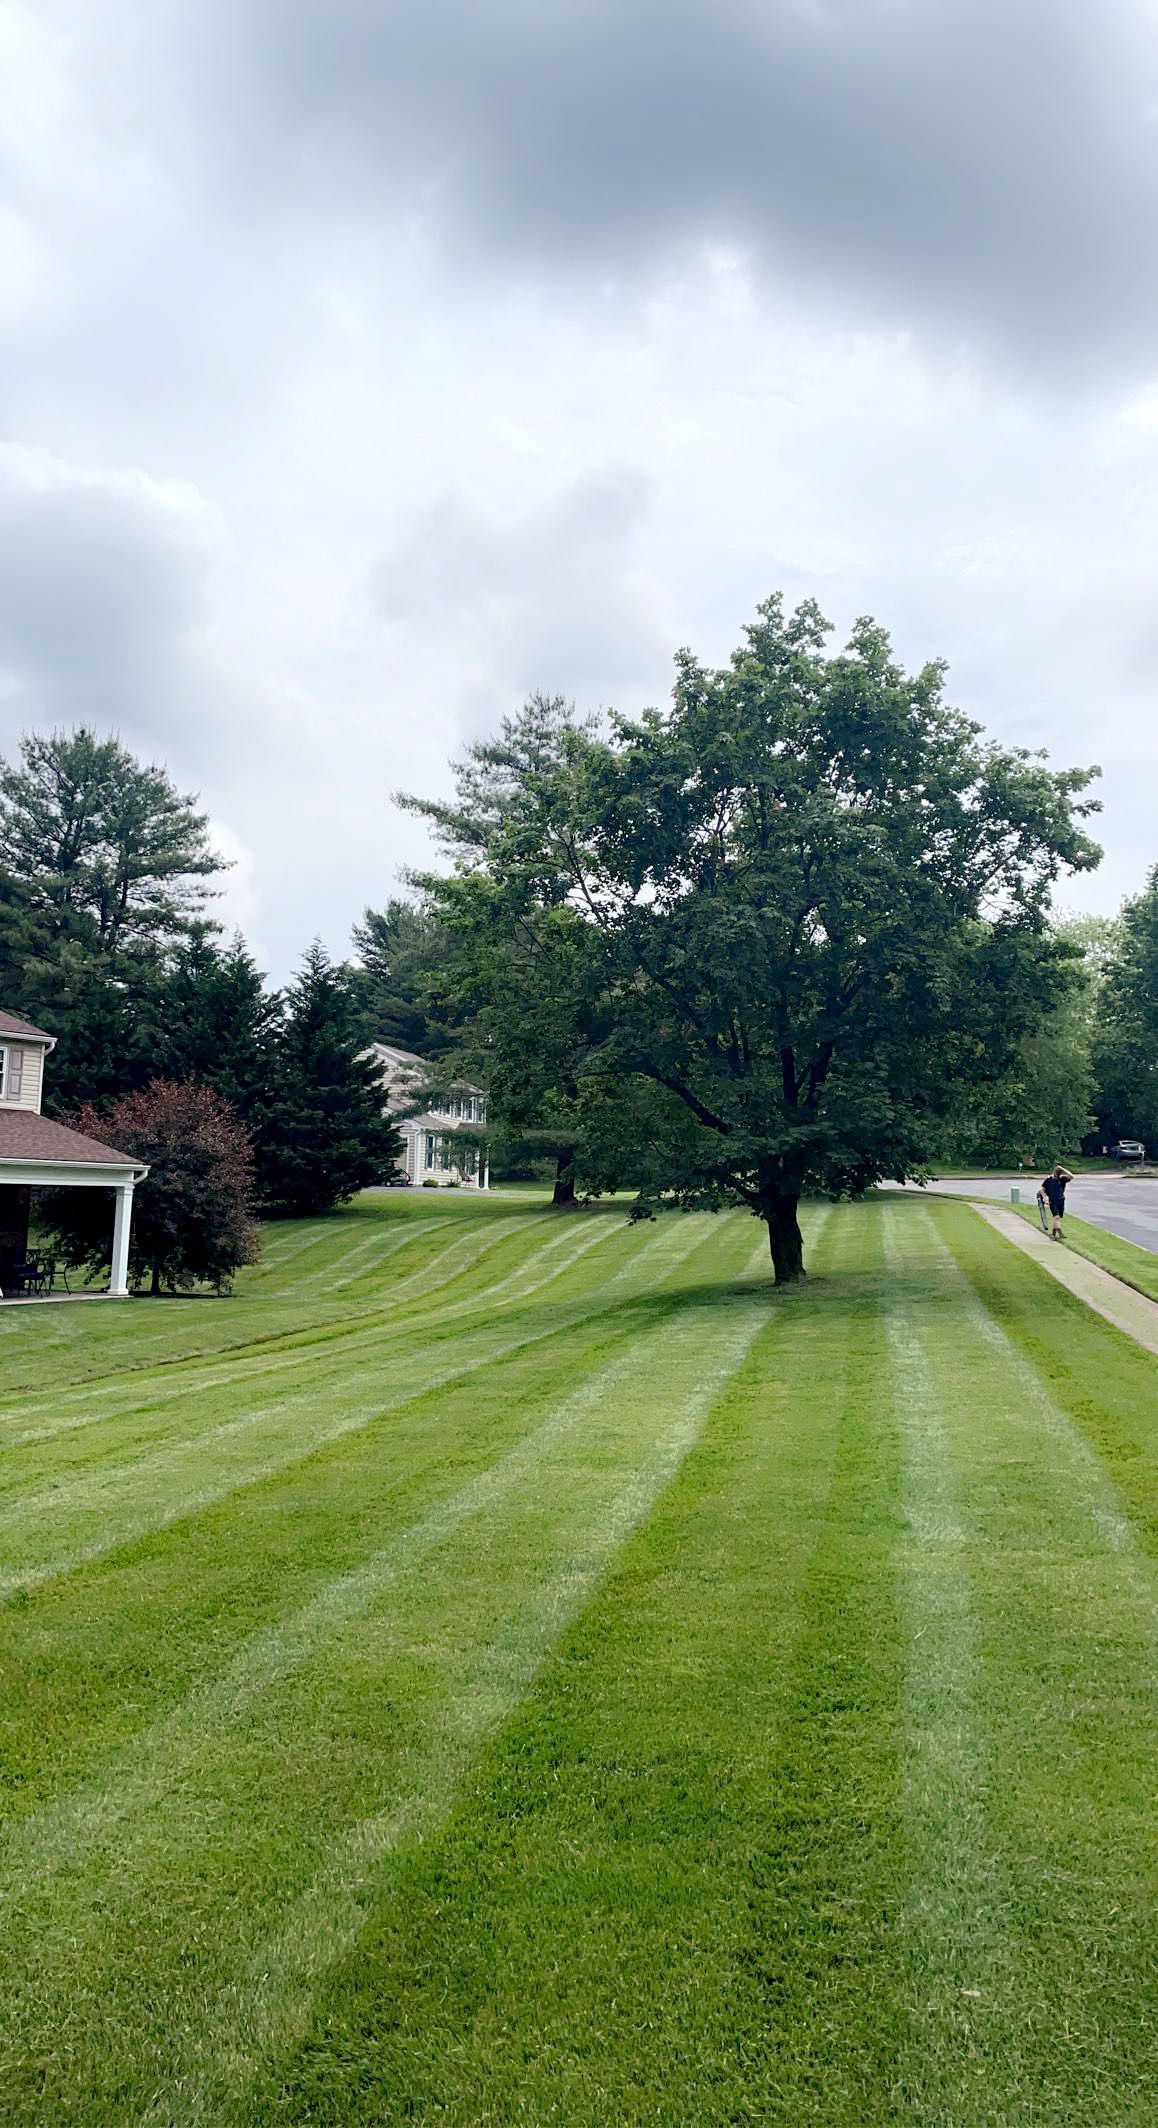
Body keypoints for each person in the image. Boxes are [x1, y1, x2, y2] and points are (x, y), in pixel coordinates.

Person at [1039, 1164, 1074, 1241]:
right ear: (1053, 1173)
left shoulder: (1062, 1179)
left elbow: (1071, 1176)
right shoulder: (1048, 1180)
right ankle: (1059, 1232)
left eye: (1058, 1175)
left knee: (1058, 1218)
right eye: (1055, 1175)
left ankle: (1054, 1234)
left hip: (1061, 1200)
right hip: (1052, 1201)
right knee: (1056, 1217)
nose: (1056, 1177)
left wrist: (1062, 1169)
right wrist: (1045, 1198)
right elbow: (1042, 1190)